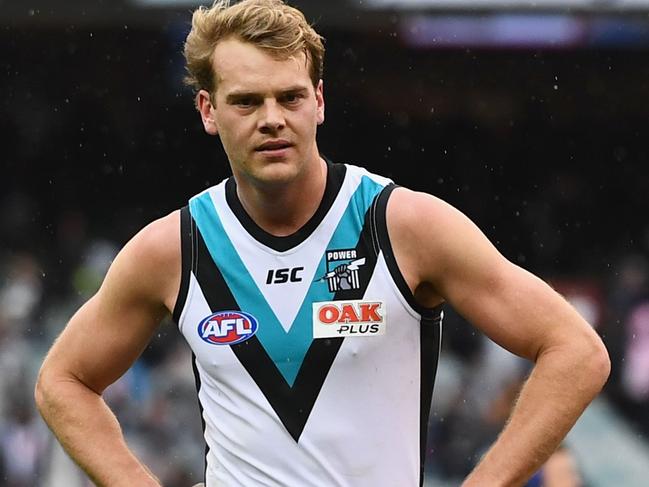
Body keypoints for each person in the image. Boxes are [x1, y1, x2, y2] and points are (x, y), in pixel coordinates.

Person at [34, 1, 610, 486]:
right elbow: (62, 382)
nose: (272, 119)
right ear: (208, 110)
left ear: (319, 101)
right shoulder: (173, 248)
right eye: (245, 101)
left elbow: (577, 352)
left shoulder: (404, 225)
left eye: (289, 97)